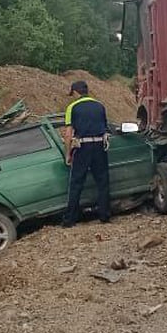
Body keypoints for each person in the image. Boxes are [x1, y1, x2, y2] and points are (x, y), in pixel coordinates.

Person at [62, 80, 111, 227]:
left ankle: (70, 220)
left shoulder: (72, 107)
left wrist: (68, 153)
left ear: (76, 92)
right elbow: (105, 127)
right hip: (100, 146)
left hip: (83, 147)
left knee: (76, 183)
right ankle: (104, 216)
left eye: (73, 94)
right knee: (103, 182)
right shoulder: (100, 106)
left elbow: (68, 134)